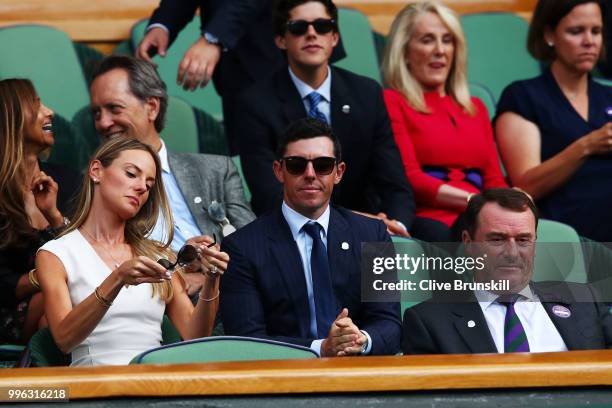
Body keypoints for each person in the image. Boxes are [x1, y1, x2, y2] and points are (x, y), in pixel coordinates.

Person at [37, 137, 228, 366]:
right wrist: (117, 279)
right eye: (131, 174)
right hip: (93, 386)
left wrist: (212, 279)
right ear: (96, 171)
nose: (141, 187)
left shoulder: (157, 254)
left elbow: (195, 337)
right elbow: (64, 340)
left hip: (155, 385)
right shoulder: (56, 253)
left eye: (149, 184)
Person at [220, 118, 401, 357]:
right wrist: (320, 348)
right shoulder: (242, 247)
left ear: (339, 172)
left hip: (361, 374)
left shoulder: (372, 234)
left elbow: (389, 323)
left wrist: (360, 340)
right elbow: (246, 340)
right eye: (296, 165)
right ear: (278, 171)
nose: (310, 174)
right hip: (282, 383)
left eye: (323, 165)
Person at [234, 0, 415, 238]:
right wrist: (357, 223)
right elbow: (269, 194)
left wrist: (397, 226)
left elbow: (395, 184)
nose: (311, 33)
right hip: (292, 231)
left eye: (322, 26)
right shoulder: (255, 103)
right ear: (280, 40)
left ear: (334, 38)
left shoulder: (367, 93)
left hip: (369, 228)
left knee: (435, 233)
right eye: (299, 27)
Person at [89, 55, 254, 295]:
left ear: (152, 107)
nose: (103, 123)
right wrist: (181, 269)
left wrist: (210, 270)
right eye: (96, 113)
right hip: (157, 304)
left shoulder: (216, 170)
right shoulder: (99, 183)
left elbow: (256, 246)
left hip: (233, 294)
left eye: (114, 108)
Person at [401, 188, 612, 355]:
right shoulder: (429, 322)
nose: (512, 253)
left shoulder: (584, 300)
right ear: (468, 243)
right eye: (497, 239)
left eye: (523, 240)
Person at [136, 0, 345, 154]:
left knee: (314, 153)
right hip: (239, 65)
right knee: (260, 171)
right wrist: (163, 24)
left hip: (286, 47)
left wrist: (214, 38)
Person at [382, 1, 508, 242]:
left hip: (480, 214)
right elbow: (410, 177)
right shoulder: (393, 101)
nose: (440, 50)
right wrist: (476, 202)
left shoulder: (476, 107)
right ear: (405, 51)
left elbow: (494, 179)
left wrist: (509, 202)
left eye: (447, 40)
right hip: (429, 218)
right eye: (427, 40)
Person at [495, 0, 612, 242]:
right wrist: (587, 145)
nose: (589, 41)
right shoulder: (524, 96)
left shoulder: (608, 95)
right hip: (570, 231)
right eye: (576, 31)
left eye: (596, 31)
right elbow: (525, 186)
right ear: (549, 35)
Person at [0, 78, 80, 344]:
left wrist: (54, 217)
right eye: (36, 105)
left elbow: (89, 252)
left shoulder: (69, 180)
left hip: (73, 299)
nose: (49, 112)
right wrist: (47, 276)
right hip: (13, 312)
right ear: (10, 118)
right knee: (54, 301)